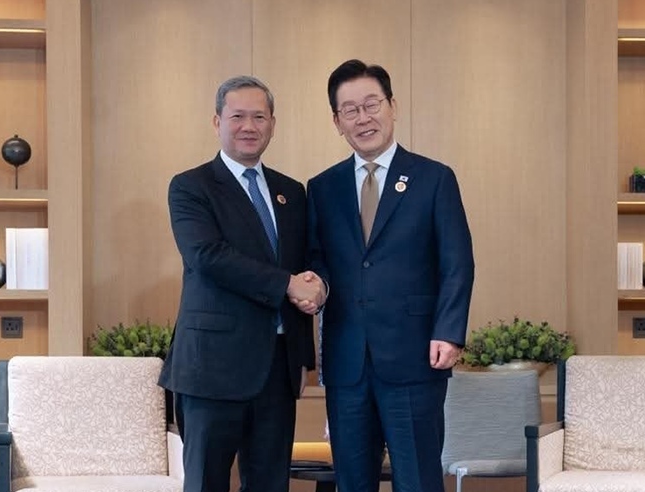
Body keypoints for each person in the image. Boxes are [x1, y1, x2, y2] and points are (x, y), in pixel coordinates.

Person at [303, 59, 475, 492]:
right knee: (352, 481)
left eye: (371, 104)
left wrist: (449, 331)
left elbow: (457, 262)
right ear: (337, 122)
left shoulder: (434, 178)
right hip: (347, 362)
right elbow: (318, 260)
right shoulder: (322, 188)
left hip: (415, 357)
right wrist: (315, 286)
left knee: (417, 479)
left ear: (392, 106)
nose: (363, 118)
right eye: (350, 110)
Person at [158, 75, 325, 492]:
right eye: (237, 117)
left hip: (277, 369)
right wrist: (288, 285)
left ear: (273, 124)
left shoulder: (292, 192)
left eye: (259, 117)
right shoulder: (191, 186)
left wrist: (317, 290)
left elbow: (305, 263)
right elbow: (208, 256)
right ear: (217, 122)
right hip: (211, 368)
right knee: (207, 483)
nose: (249, 126)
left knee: (270, 483)